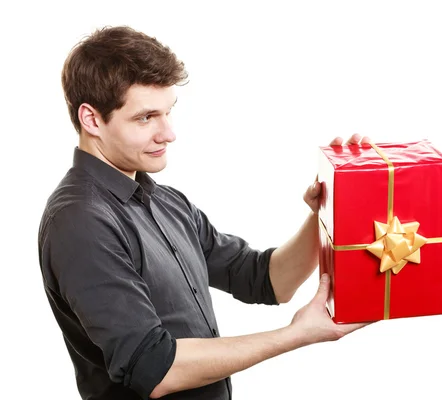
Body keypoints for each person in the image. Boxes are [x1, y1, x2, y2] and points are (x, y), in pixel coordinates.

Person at [38, 25, 371, 399]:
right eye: (145, 118)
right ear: (92, 119)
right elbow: (154, 368)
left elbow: (266, 279)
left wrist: (325, 211)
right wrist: (294, 336)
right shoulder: (80, 221)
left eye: (168, 112)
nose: (168, 133)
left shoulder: (166, 203)